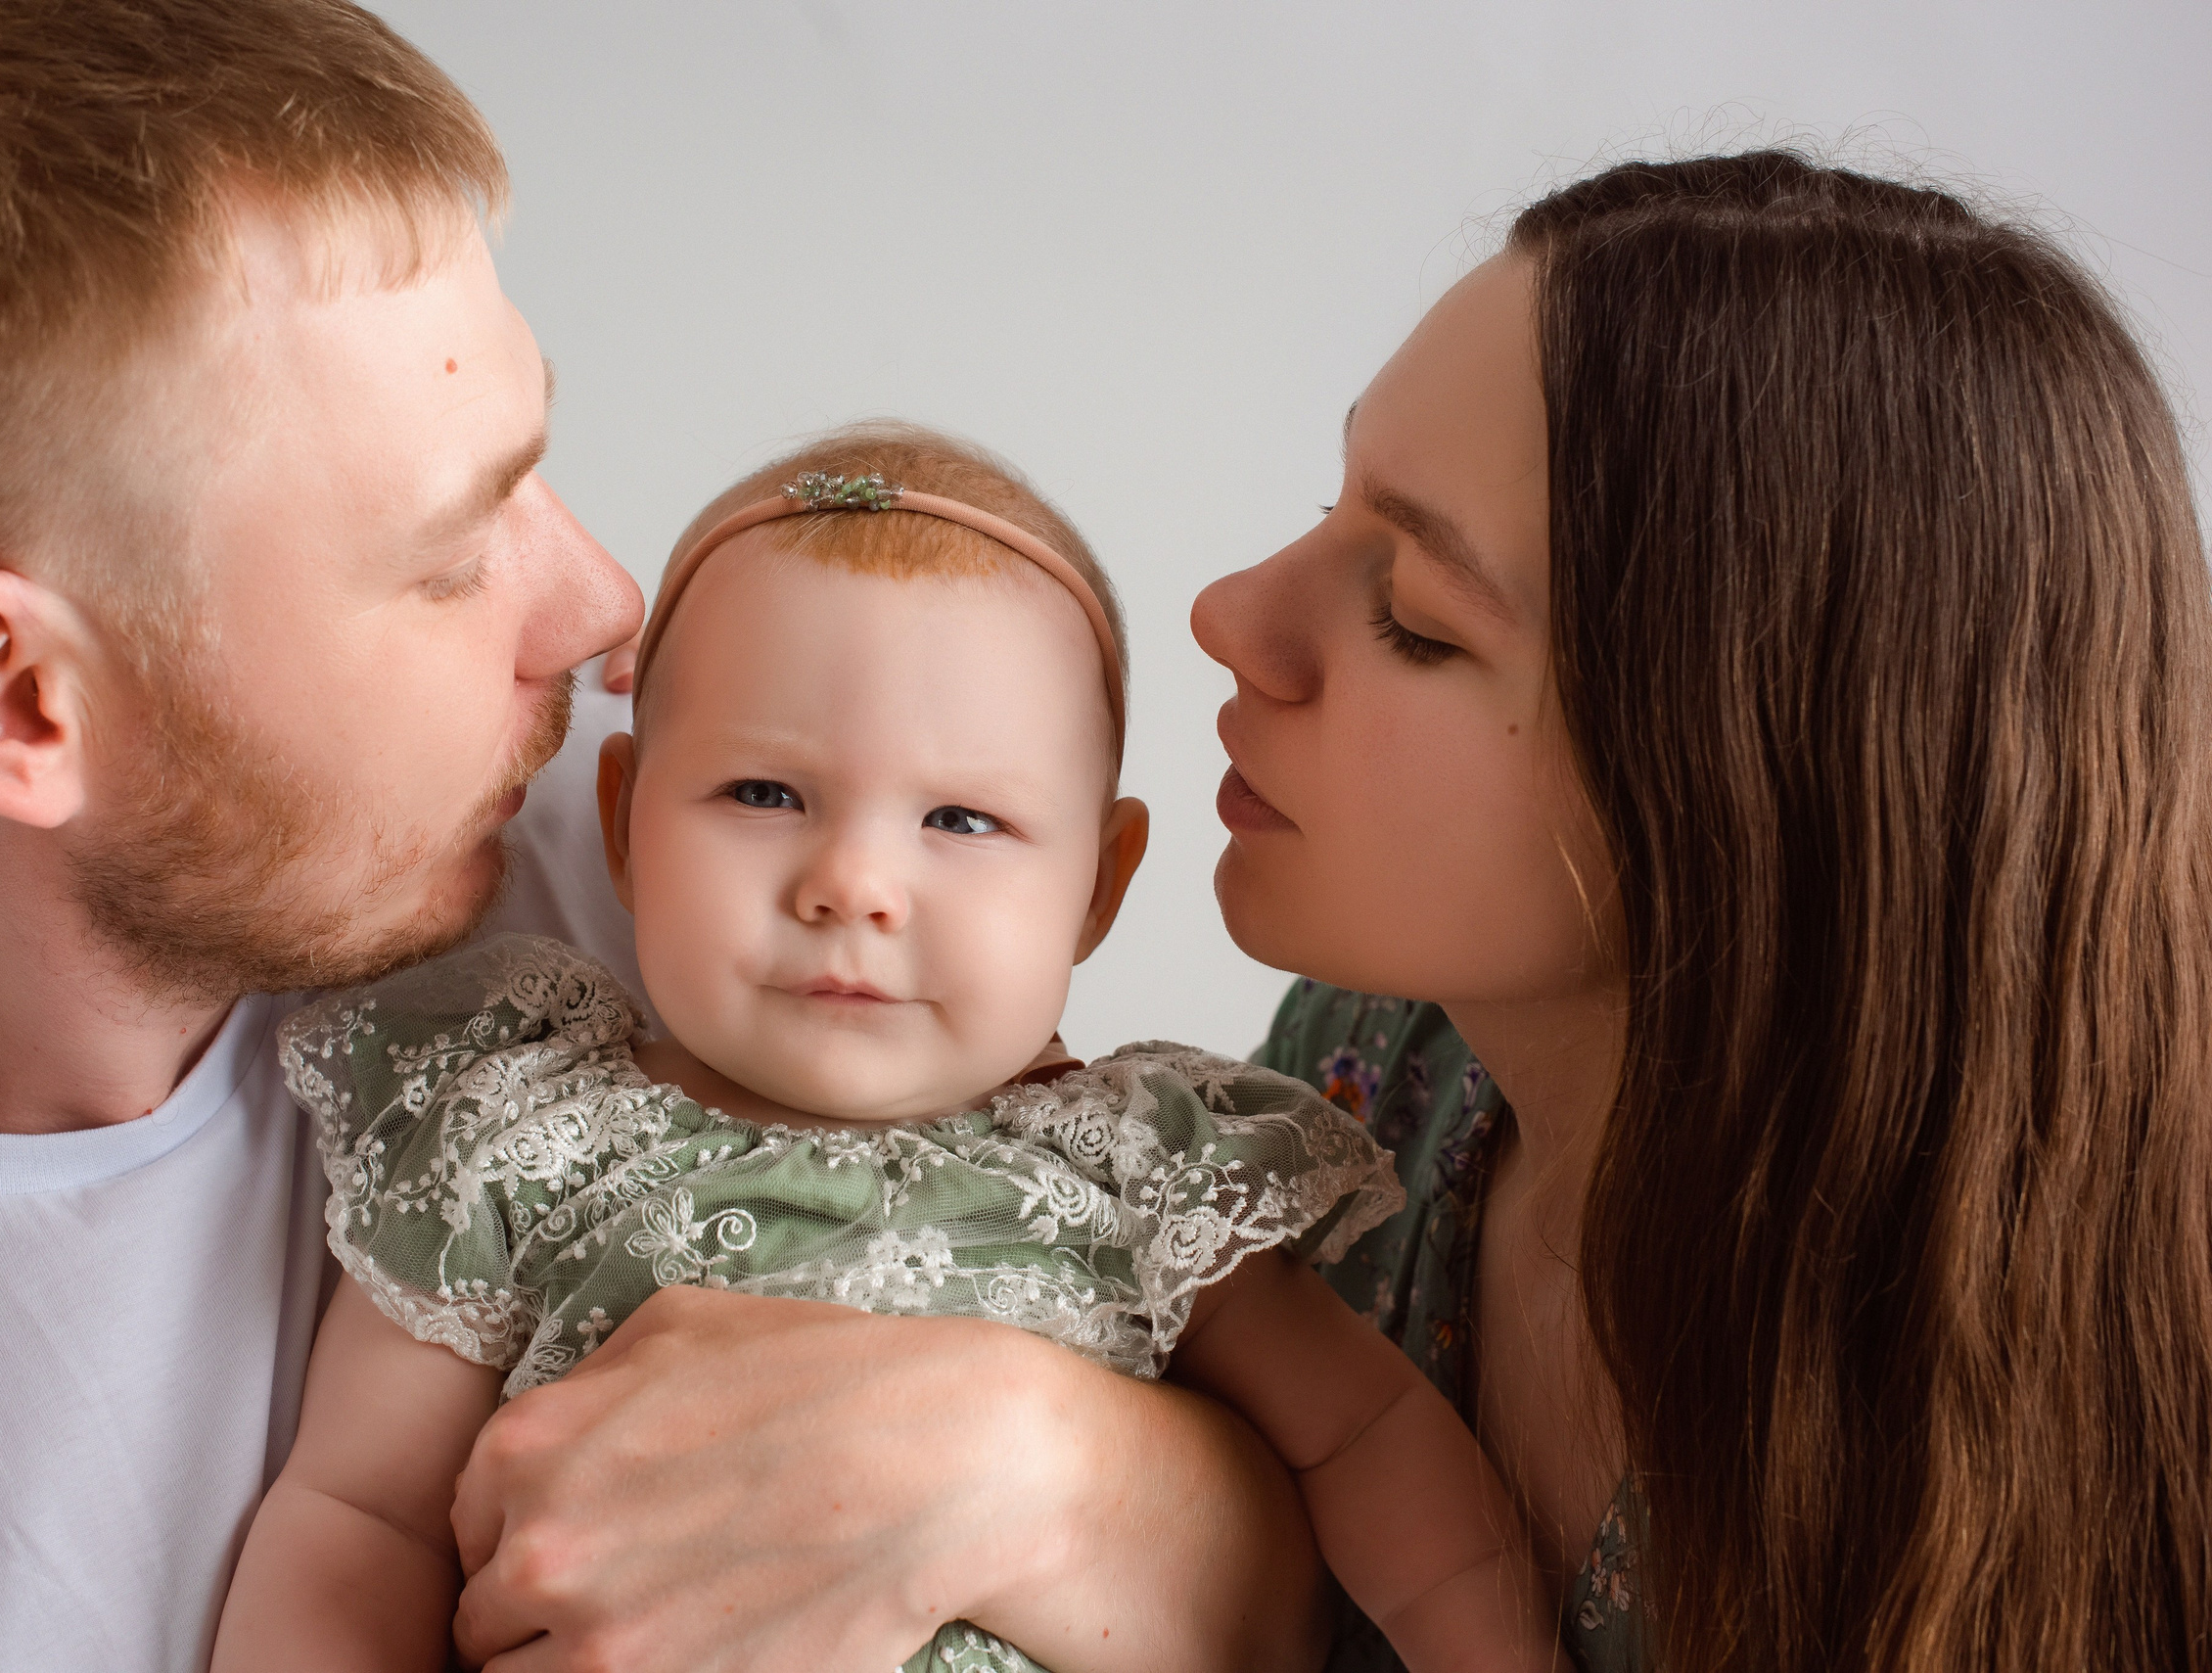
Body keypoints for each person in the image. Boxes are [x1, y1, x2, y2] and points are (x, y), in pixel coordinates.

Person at [0, 4, 1322, 1670]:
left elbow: (1288, 1579)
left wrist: (1028, 1467)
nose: (606, 607)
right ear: (13, 694)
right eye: (449, 553)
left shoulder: (627, 865)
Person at [211, 424, 1568, 1673]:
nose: (853, 883)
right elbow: (356, 1518)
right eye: (764, 791)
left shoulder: (1146, 1173)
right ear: (622, 825)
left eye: (962, 820)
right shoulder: (518, 1131)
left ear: (1097, 886)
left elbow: (1372, 1443)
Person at [1193, 151, 2212, 1672]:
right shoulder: (1363, 1081)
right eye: (1323, 505)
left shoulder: (2111, 1436)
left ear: (1750, 793)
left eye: (1414, 616)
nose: (1228, 613)